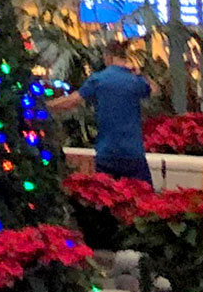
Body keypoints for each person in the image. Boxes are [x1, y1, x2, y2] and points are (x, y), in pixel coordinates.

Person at [47, 38, 154, 184]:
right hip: (133, 151)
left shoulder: (98, 79)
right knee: (143, 196)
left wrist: (45, 106)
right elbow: (154, 90)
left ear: (108, 57)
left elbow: (72, 101)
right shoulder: (134, 81)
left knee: (106, 196)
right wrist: (139, 73)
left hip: (107, 151)